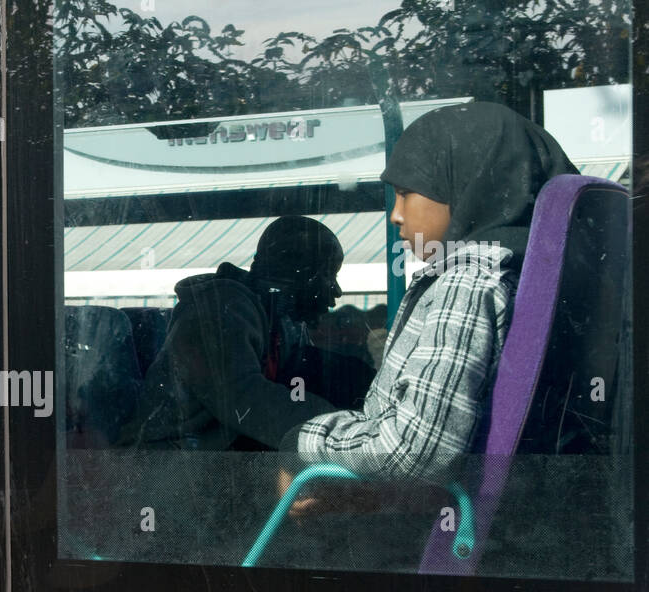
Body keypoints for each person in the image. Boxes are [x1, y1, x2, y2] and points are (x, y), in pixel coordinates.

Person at [277, 101, 578, 519]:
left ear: (467, 188)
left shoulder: (467, 282)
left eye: (406, 193)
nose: (396, 215)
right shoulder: (525, 273)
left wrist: (301, 440)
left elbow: (414, 450)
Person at [118, 215, 373, 450]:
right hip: (166, 466)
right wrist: (341, 431)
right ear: (297, 273)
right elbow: (244, 398)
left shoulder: (279, 323)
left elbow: (306, 373)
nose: (336, 290)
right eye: (328, 275)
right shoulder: (220, 309)